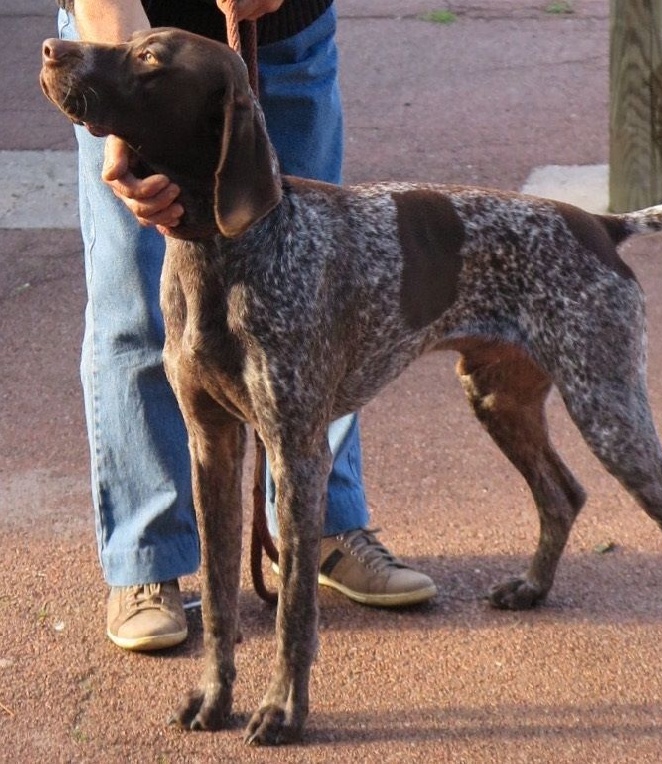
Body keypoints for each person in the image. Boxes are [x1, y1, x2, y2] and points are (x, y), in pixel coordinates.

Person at [57, 0, 436, 652]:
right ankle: (149, 559)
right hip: (128, 34)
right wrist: (121, 110)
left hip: (285, 40)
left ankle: (321, 524)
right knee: (143, 308)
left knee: (318, 297)